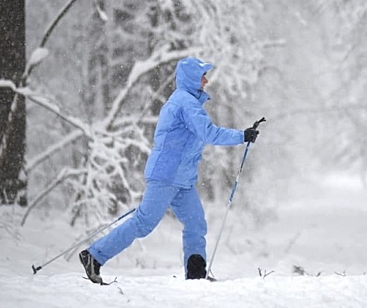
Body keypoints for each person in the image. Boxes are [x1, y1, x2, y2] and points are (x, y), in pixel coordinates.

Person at [79, 57, 260, 283]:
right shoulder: (185, 103)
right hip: (166, 176)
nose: (206, 80)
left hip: (182, 179)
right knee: (143, 223)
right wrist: (241, 136)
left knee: (196, 223)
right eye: (202, 75)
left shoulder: (187, 101)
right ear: (192, 78)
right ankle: (94, 256)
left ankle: (196, 275)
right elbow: (208, 133)